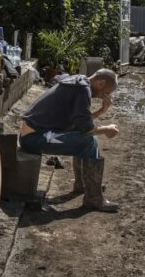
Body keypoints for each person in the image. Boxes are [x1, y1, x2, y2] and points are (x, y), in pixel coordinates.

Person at [19, 69, 120, 212]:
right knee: (88, 141)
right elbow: (87, 129)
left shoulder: (79, 81)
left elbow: (82, 123)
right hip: (35, 138)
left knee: (90, 138)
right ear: (101, 83)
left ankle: (83, 185)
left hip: (37, 132)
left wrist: (102, 111)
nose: (104, 96)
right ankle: (93, 198)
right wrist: (107, 129)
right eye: (106, 92)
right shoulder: (82, 90)